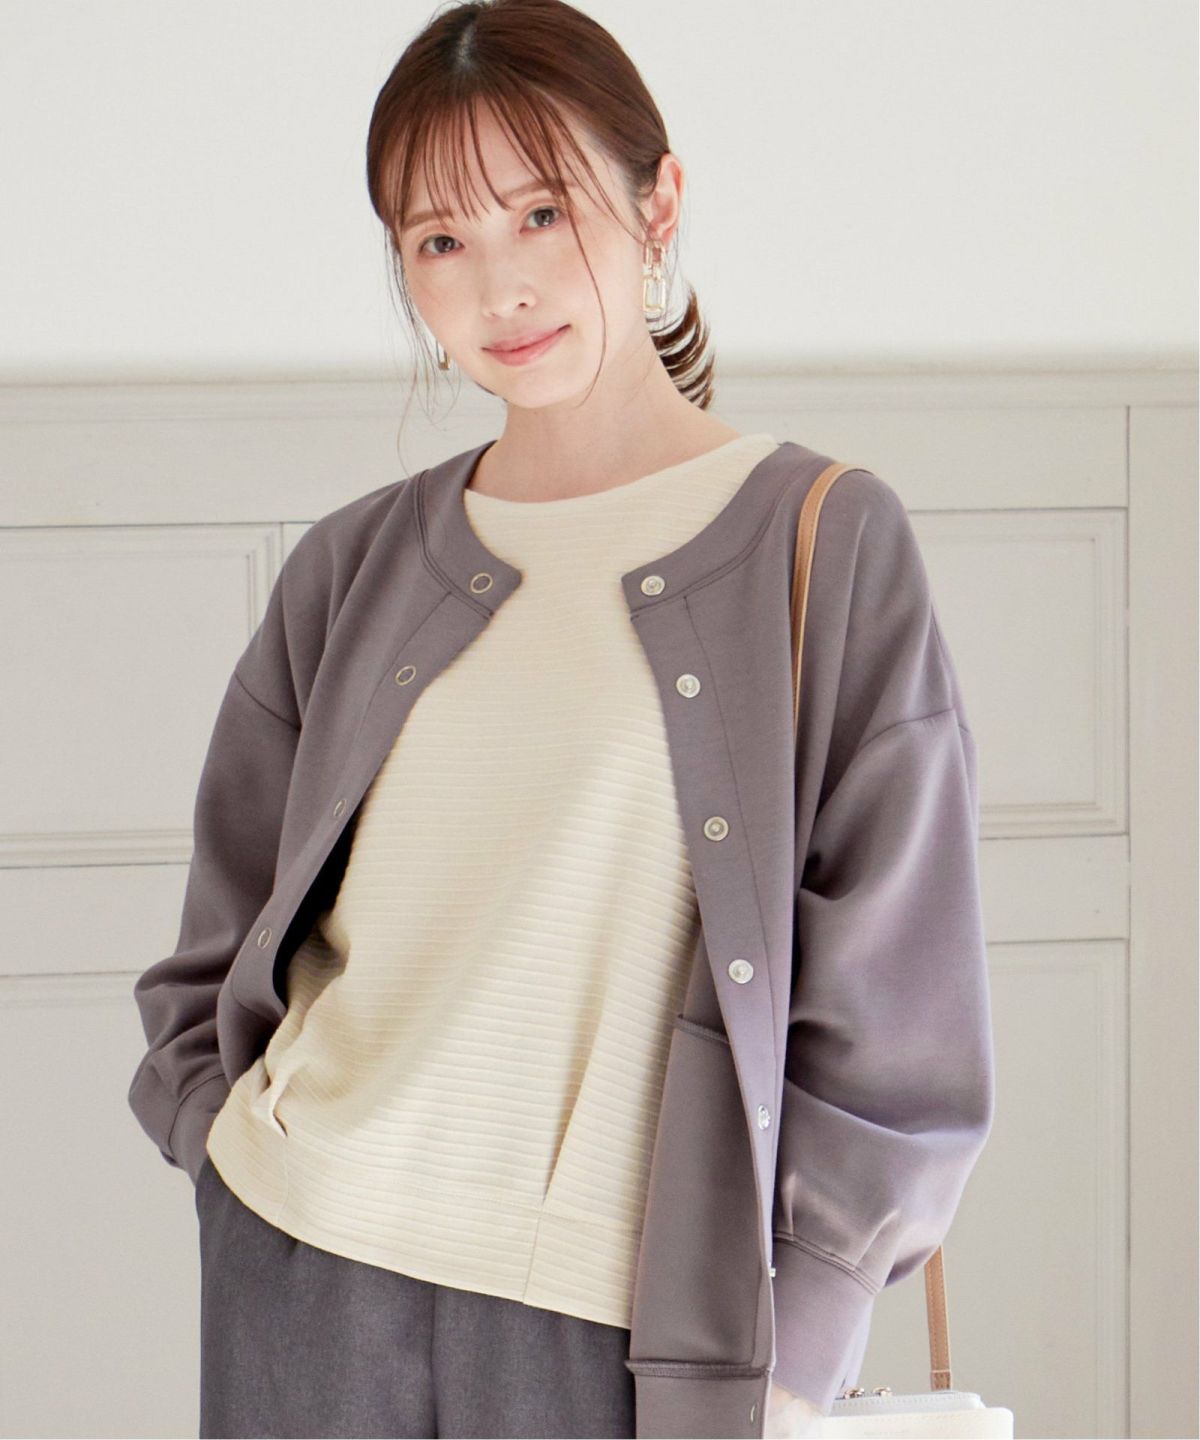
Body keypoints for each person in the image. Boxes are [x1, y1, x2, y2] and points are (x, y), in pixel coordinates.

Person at [129, 3, 994, 1438]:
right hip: (303, 1282)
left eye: (543, 212)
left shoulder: (821, 542)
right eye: (440, 240)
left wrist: (799, 1357)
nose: (501, 287)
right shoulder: (352, 566)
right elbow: (222, 933)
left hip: (620, 1328)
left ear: (658, 203)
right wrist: (223, 1149)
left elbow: (902, 1011)